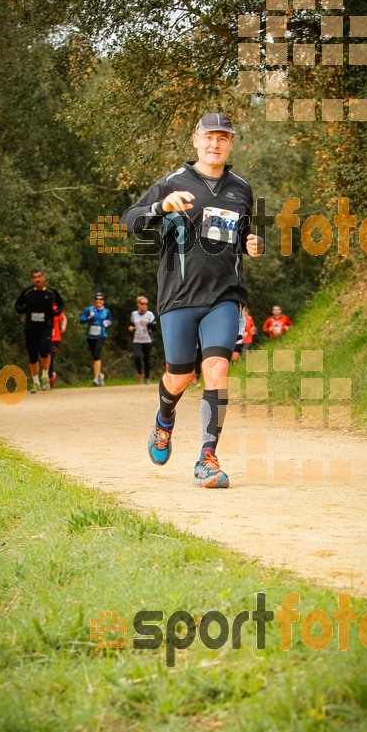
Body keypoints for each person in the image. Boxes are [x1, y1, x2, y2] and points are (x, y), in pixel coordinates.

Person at [121, 113, 263, 488]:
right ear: (196, 140)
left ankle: (207, 457)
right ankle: (164, 419)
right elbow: (129, 220)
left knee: (216, 368)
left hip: (224, 296)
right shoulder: (172, 183)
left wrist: (254, 244)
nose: (215, 144)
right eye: (209, 137)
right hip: (179, 296)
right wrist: (160, 208)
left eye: (223, 138)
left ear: (232, 144)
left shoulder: (242, 188)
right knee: (180, 375)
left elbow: (244, 234)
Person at [15, 268, 64, 392]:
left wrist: (56, 312)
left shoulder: (51, 292)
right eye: (34, 277)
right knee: (32, 355)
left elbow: (61, 304)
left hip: (46, 326)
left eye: (39, 277)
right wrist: (25, 309)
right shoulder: (27, 292)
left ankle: (45, 377)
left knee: (43, 351)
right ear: (32, 279)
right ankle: (35, 382)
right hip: (30, 328)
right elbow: (17, 306)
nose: (37, 279)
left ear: (44, 277)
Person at [79, 292, 112, 386]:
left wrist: (107, 323)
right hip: (90, 336)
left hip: (101, 335)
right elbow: (81, 320)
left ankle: (96, 377)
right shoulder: (89, 310)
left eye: (101, 299)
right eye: (97, 299)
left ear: (103, 301)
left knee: (97, 354)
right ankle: (100, 375)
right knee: (94, 356)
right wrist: (89, 317)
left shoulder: (106, 311)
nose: (99, 300)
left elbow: (110, 320)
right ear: (94, 301)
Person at [129, 296, 157, 384]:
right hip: (137, 339)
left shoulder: (150, 314)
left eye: (146, 304)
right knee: (137, 356)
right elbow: (131, 324)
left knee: (146, 359)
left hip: (147, 339)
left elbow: (155, 327)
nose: (144, 305)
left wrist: (148, 323)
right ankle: (139, 373)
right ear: (138, 304)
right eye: (142, 304)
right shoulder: (134, 314)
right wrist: (131, 327)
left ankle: (147, 378)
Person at [49, 307, 67, 387]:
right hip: (42, 337)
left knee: (50, 356)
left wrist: (63, 326)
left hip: (55, 338)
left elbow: (64, 318)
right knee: (44, 356)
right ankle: (49, 374)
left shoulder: (55, 309)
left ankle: (49, 377)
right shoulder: (40, 306)